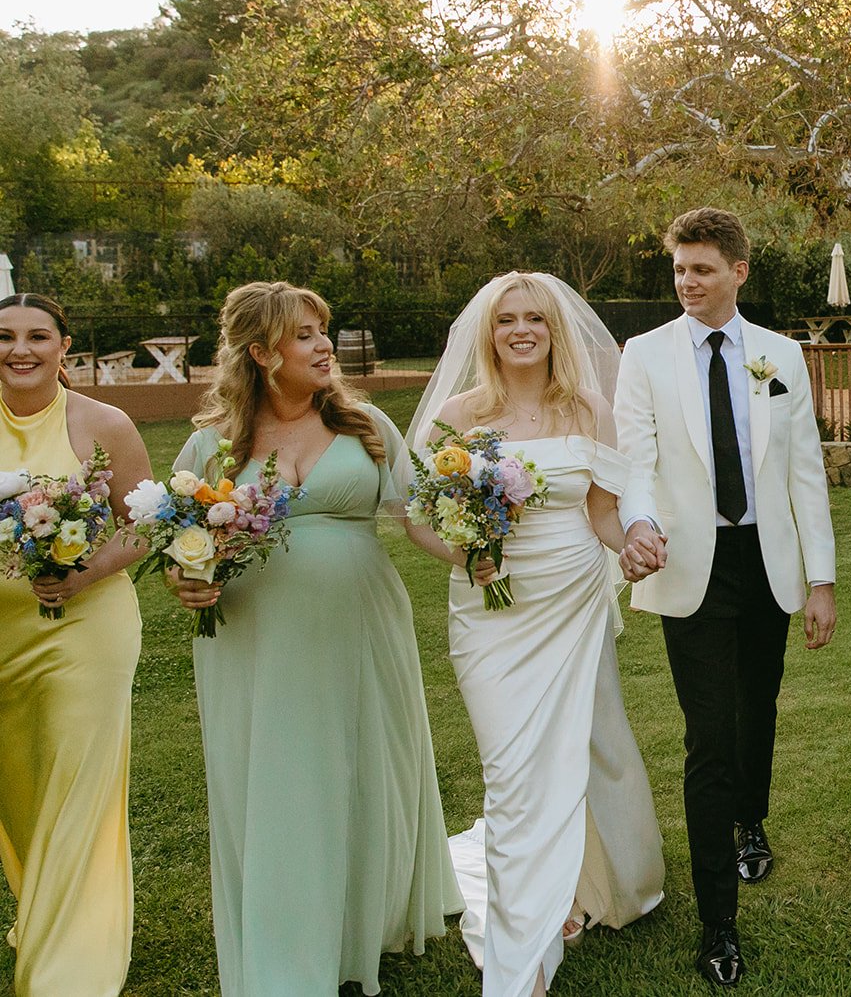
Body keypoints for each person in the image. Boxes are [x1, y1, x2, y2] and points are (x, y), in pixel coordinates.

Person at [167, 281, 461, 994]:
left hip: (359, 624)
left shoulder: (365, 425)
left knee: (358, 766)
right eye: (304, 334)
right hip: (251, 637)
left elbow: (417, 514)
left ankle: (357, 921)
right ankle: (284, 937)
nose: (325, 344)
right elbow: (180, 545)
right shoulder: (211, 443)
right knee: (270, 774)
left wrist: (472, 549)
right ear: (262, 352)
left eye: (323, 329)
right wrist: (189, 580)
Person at [404, 271, 665, 996]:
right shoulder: (458, 413)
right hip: (489, 610)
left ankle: (544, 927)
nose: (521, 330)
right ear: (488, 333)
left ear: (554, 329)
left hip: (572, 597)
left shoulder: (587, 408)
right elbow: (417, 517)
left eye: (534, 319)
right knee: (513, 768)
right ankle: (526, 920)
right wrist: (469, 553)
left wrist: (633, 546)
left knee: (573, 753)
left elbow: (604, 513)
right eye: (507, 319)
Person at [614, 207, 836, 987]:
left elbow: (803, 467)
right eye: (679, 268)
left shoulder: (778, 354)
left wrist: (821, 577)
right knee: (709, 736)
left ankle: (753, 819)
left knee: (758, 707)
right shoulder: (643, 355)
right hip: (688, 565)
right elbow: (634, 458)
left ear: (739, 271)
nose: (687, 281)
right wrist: (638, 521)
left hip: (766, 561)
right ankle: (718, 923)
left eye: (702, 268)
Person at [0, 293, 151, 996]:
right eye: (4, 337)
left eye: (36, 336)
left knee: (77, 782)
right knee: (21, 794)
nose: (19, 349)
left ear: (66, 345)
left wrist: (80, 571)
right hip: (3, 636)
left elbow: (143, 523)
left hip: (87, 630)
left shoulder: (103, 423)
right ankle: (43, 911)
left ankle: (70, 969)